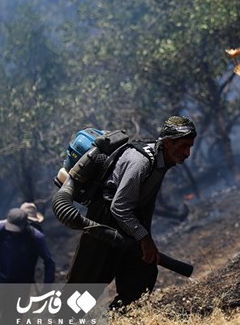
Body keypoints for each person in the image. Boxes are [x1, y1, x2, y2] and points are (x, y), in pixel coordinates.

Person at [66, 116, 197, 309]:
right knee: (87, 286)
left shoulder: (161, 162)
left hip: (129, 223)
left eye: (190, 147)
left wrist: (146, 237)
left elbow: (146, 204)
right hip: (105, 220)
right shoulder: (141, 161)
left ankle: (120, 323)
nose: (187, 153)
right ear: (168, 143)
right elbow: (118, 206)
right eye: (184, 146)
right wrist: (144, 240)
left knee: (142, 276)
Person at [0, 207, 56, 325]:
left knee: (10, 322)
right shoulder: (0, 229)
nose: (14, 232)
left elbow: (49, 262)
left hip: (20, 285)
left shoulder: (36, 237)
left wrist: (47, 287)